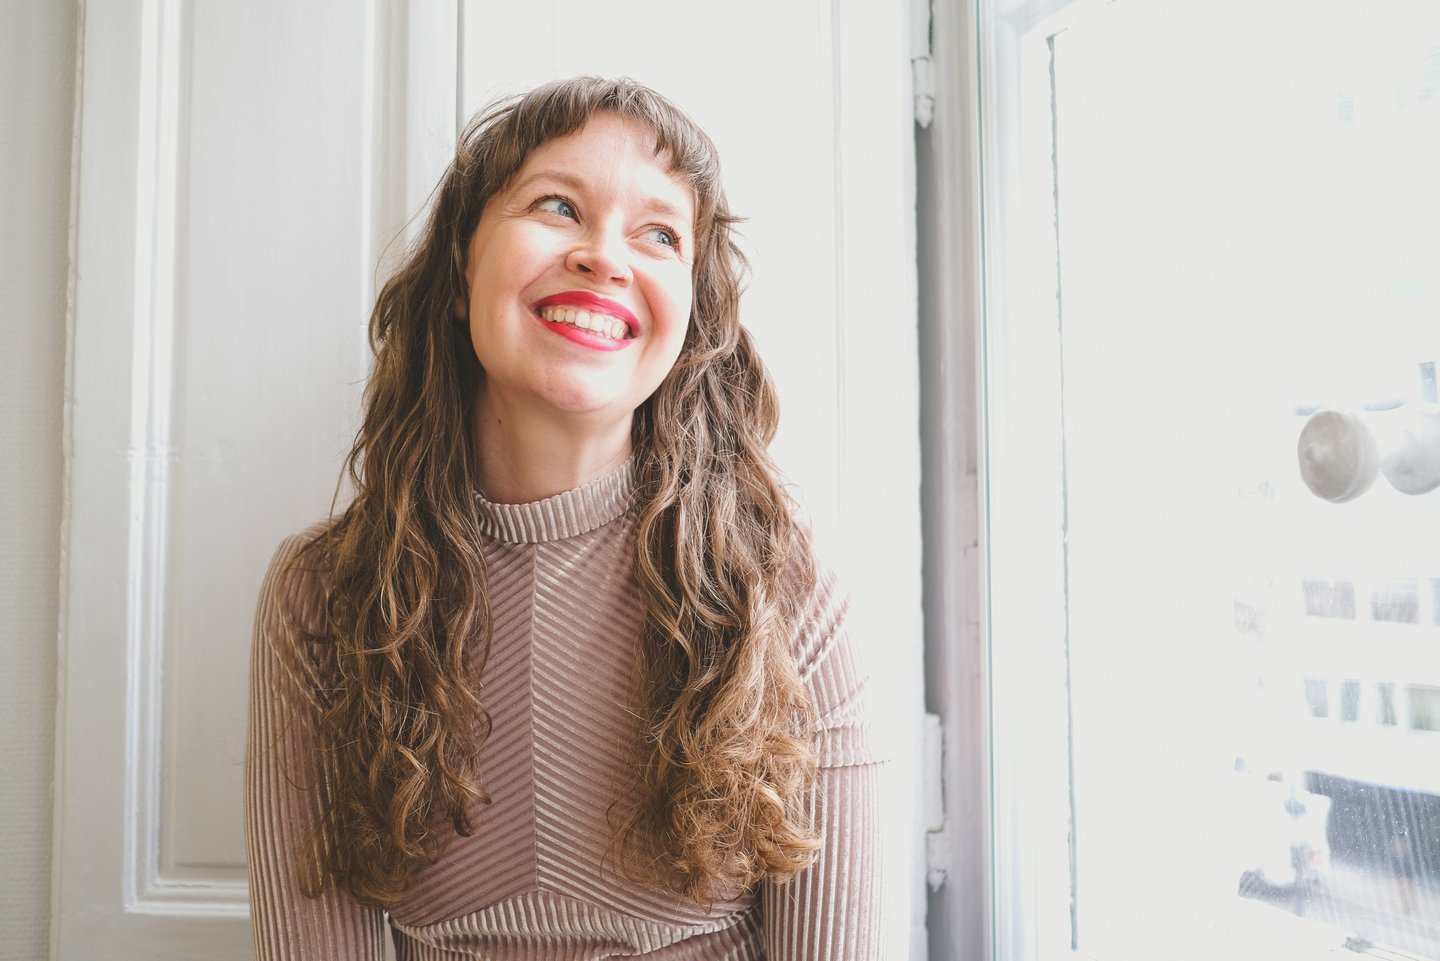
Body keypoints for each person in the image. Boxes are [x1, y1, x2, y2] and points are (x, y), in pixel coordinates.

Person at [244, 76, 885, 960]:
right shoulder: (321, 596)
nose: (605, 257)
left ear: (693, 321)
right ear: (462, 275)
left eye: (658, 232)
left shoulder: (788, 587)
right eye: (557, 206)